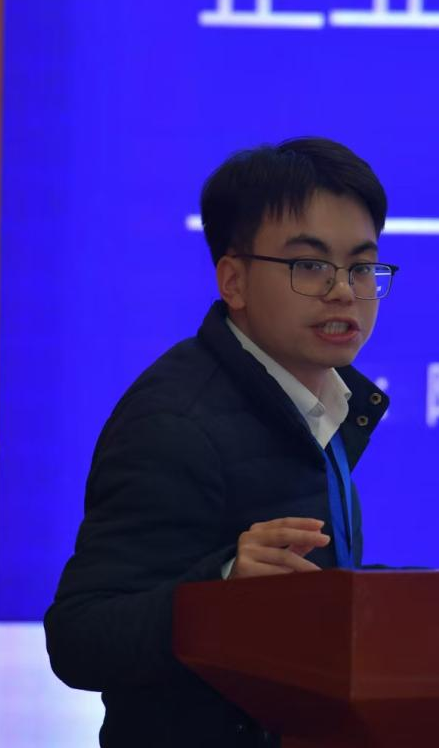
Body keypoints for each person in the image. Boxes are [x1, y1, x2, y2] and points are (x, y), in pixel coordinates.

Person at [44, 137, 398, 747]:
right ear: (233, 280)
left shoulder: (317, 400)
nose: (344, 291)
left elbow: (300, 594)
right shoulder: (175, 422)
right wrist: (223, 586)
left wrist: (421, 598)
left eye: (361, 267)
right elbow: (80, 637)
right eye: (309, 265)